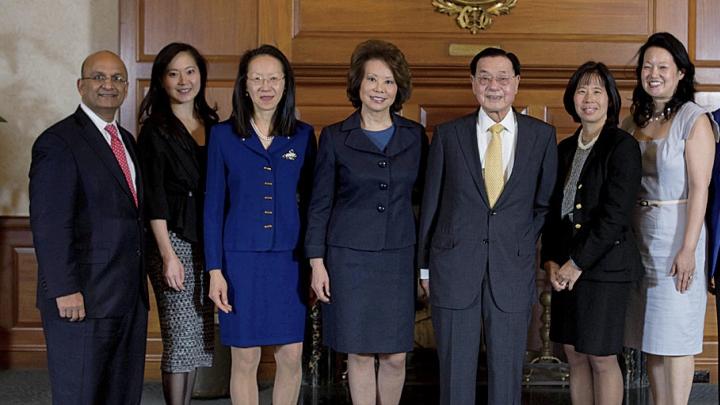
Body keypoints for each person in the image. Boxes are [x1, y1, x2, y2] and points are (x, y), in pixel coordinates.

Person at [417, 47, 557, 405]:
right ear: (473, 84)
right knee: (454, 376)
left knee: (507, 376)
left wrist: (522, 244)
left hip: (511, 269)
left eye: (502, 78)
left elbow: (544, 205)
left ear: (516, 84)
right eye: (484, 78)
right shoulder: (448, 135)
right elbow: (431, 204)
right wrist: (424, 267)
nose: (493, 86)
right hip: (453, 269)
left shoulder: (541, 137)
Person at [306, 39, 427, 405]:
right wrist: (316, 262)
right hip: (349, 260)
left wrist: (425, 267)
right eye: (372, 80)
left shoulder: (415, 136)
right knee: (357, 352)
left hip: (398, 259)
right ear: (358, 84)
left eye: (388, 81)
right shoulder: (334, 137)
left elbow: (425, 203)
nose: (379, 89)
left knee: (394, 355)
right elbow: (319, 204)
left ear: (398, 89)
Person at [29, 50, 148, 405]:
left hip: (127, 298)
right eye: (99, 77)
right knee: (79, 396)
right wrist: (64, 289)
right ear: (81, 86)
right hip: (81, 299)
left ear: (126, 88)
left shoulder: (126, 141)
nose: (108, 85)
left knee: (122, 395)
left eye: (117, 79)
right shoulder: (59, 141)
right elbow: (49, 223)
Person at [204, 44, 316, 405]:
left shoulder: (302, 135)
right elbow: (212, 208)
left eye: (273, 78)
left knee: (291, 354)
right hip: (240, 262)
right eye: (257, 78)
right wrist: (215, 270)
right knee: (246, 357)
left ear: (285, 84)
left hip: (290, 261)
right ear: (245, 85)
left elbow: (316, 204)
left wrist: (317, 261)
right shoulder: (222, 136)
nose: (265, 86)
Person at [623, 32, 719, 405]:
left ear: (681, 72)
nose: (654, 73)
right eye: (647, 66)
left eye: (663, 66)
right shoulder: (633, 120)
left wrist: (688, 249)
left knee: (676, 337)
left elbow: (700, 189)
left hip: (678, 233)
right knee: (651, 336)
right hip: (639, 236)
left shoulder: (694, 120)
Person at [541, 61, 642, 405]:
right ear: (572, 98)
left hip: (604, 268)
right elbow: (554, 212)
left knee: (600, 355)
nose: (589, 98)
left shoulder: (622, 146)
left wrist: (576, 263)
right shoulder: (565, 148)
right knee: (574, 353)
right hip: (566, 268)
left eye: (597, 90)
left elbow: (615, 215)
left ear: (610, 100)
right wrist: (552, 260)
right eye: (582, 90)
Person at [137, 42, 218, 405]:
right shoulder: (155, 130)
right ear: (161, 81)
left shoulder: (215, 125)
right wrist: (168, 255)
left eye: (190, 71)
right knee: (180, 336)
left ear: (201, 75)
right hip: (172, 240)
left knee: (198, 335)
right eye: (173, 73)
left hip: (207, 240)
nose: (183, 80)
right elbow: (152, 196)